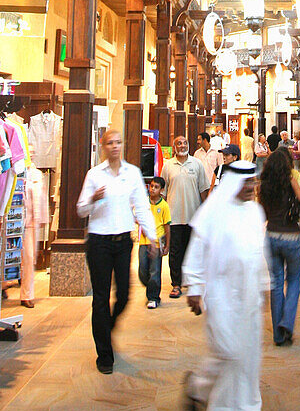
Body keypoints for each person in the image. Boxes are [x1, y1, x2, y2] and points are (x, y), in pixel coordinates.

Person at [183, 161, 273, 411]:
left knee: (246, 359)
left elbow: (260, 252)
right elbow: (197, 251)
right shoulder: (213, 211)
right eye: (246, 184)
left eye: (253, 183)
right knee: (228, 351)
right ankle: (199, 387)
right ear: (234, 183)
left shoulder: (255, 211)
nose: (251, 189)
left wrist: (264, 287)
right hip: (221, 295)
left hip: (248, 296)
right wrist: (195, 287)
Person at [76, 128, 158, 374]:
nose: (114, 146)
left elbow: (142, 207)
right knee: (100, 298)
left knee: (124, 294)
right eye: (110, 142)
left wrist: (152, 237)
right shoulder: (94, 175)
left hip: (123, 242)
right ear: (103, 146)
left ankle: (105, 327)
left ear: (122, 145)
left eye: (118, 142)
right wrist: (92, 198)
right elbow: (81, 210)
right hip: (99, 242)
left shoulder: (132, 173)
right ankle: (104, 355)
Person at [259, 146, 300, 345]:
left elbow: (262, 213)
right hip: (290, 236)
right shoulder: (290, 179)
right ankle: (287, 322)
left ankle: (278, 336)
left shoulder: (263, 185)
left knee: (277, 282)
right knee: (294, 280)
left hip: (271, 235)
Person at [161, 135, 209, 300]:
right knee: (175, 252)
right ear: (174, 147)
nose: (182, 146)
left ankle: (191, 280)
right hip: (173, 217)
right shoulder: (168, 166)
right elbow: (163, 193)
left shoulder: (197, 164)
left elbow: (203, 189)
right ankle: (176, 284)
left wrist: (205, 214)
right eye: (179, 143)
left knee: (192, 250)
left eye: (185, 143)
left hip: (193, 216)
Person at [20, 147, 49, 309]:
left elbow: (43, 198)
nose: (30, 155)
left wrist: (43, 218)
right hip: (15, 220)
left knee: (29, 258)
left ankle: (27, 294)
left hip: (31, 222)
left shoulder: (37, 175)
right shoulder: (14, 172)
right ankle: (2, 286)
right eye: (27, 152)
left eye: (32, 153)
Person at [138, 175, 171, 309]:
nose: (152, 189)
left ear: (161, 190)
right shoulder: (144, 202)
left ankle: (153, 297)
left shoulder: (164, 206)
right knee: (143, 270)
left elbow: (167, 227)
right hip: (144, 241)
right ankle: (151, 285)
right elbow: (138, 216)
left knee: (155, 270)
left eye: (156, 187)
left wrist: (167, 245)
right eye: (151, 186)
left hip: (157, 242)